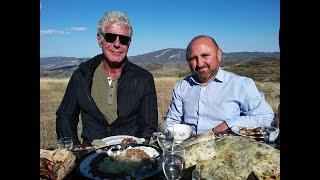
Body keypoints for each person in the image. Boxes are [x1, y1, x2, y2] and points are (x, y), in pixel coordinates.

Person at [56, 11, 158, 146]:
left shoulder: (143, 79)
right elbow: (65, 116)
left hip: (129, 155)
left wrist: (139, 151)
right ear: (100, 40)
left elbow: (149, 124)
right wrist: (74, 149)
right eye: (111, 37)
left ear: (129, 43)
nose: (117, 44)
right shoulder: (82, 75)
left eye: (123, 39)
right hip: (91, 154)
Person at [165, 35, 275, 135]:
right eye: (193, 58)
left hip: (227, 151)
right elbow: (171, 123)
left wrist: (229, 124)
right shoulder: (181, 87)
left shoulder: (242, 85)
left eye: (205, 55)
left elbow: (266, 117)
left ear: (219, 55)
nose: (199, 63)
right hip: (189, 149)